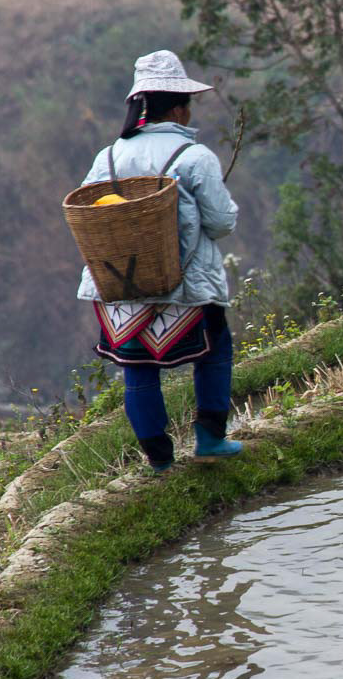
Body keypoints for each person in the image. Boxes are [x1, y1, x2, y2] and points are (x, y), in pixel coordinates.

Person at [77, 50, 242, 472]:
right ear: (180, 107)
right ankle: (210, 439)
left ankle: (160, 462)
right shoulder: (194, 157)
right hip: (184, 287)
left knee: (138, 369)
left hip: (122, 285)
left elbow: (88, 214)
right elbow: (221, 223)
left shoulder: (107, 157)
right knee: (214, 350)